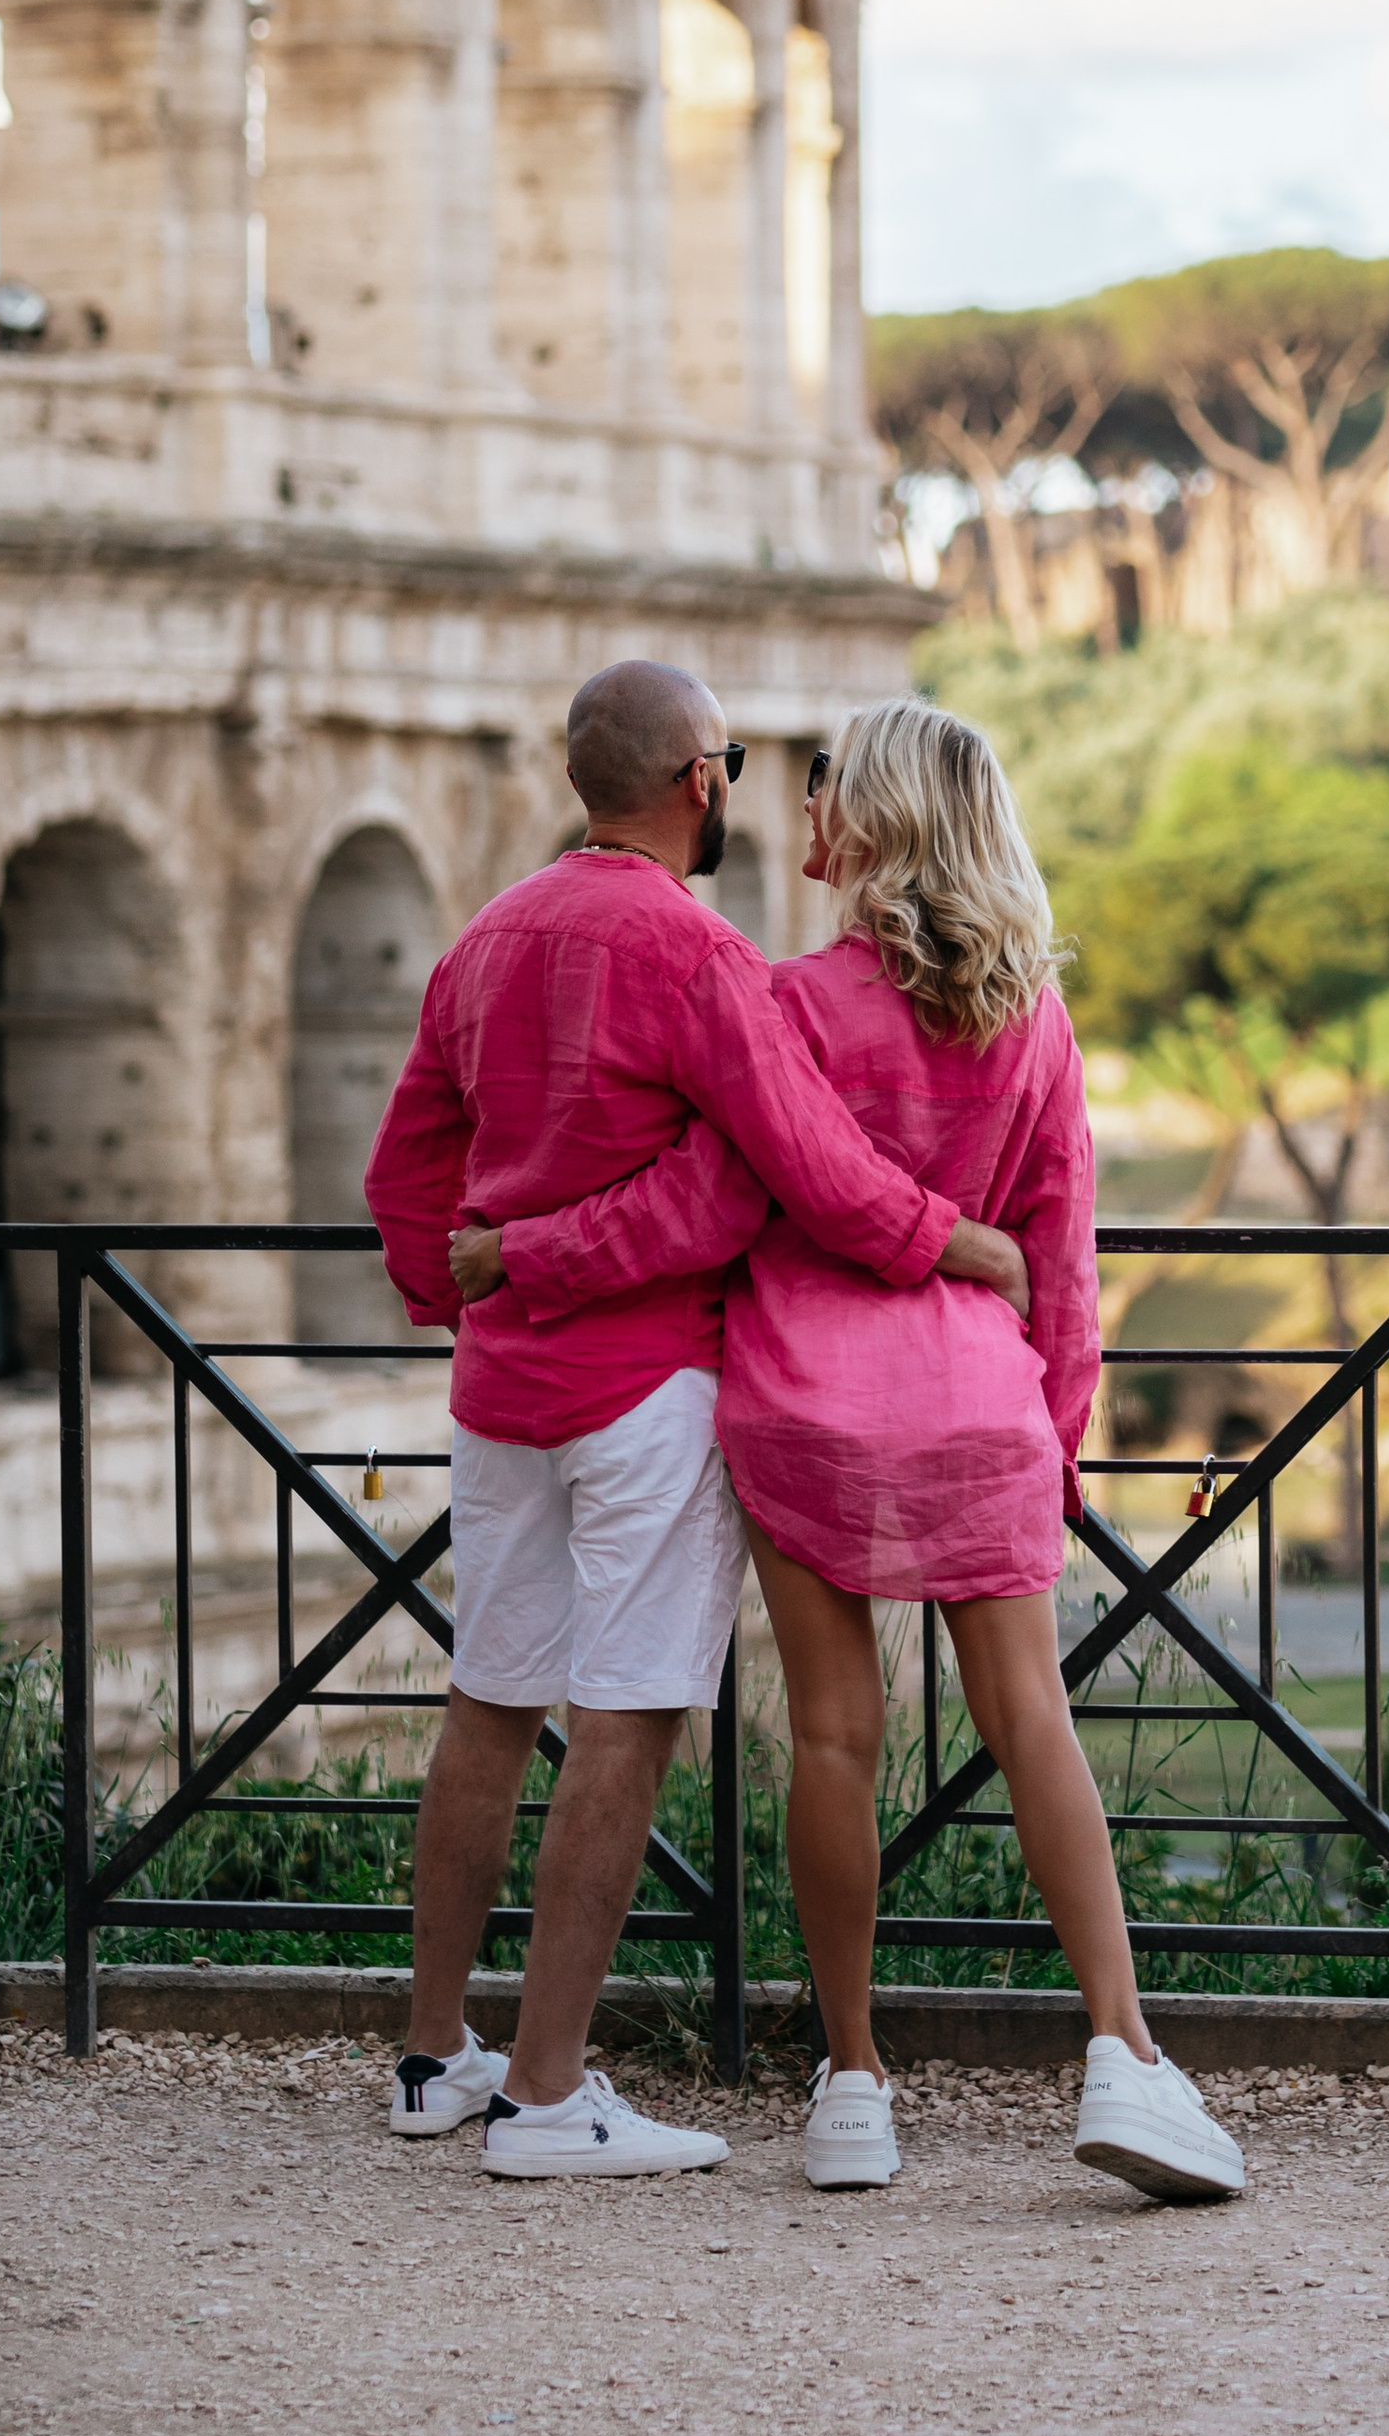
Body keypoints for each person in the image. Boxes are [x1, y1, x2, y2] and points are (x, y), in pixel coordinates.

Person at [472, 697, 1246, 2206]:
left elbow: (710, 1206)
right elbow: (1062, 1252)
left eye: (828, 785)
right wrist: (1055, 1441)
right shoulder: (1034, 1020)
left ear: (877, 819)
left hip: (802, 1403)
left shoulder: (788, 1007)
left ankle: (852, 2084)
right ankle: (1122, 2052)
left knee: (835, 1737)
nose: (803, 806)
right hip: (975, 1408)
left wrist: (526, 1253)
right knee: (1032, 1723)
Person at [363, 658, 1033, 2182]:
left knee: (488, 1700)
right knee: (628, 1718)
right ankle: (547, 2098)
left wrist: (470, 1287)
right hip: (647, 1388)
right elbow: (792, 1174)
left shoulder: (486, 935)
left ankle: (433, 2058)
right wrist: (957, 1242)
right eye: (729, 760)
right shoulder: (698, 953)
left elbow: (406, 1169)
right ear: (698, 781)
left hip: (501, 1392)